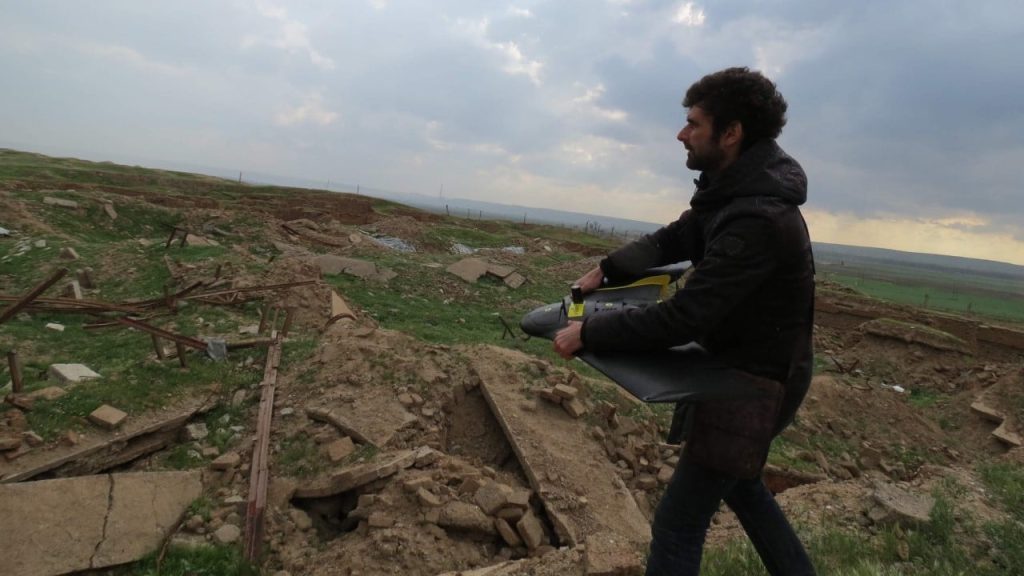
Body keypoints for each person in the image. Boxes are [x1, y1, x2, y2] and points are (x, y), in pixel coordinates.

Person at [552, 67, 817, 576]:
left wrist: (590, 330)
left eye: (693, 123)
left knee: (678, 522)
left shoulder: (757, 219)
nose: (681, 133)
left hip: (754, 384)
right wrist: (605, 271)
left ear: (732, 132)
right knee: (740, 486)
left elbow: (685, 317)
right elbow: (676, 238)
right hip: (744, 368)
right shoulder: (735, 193)